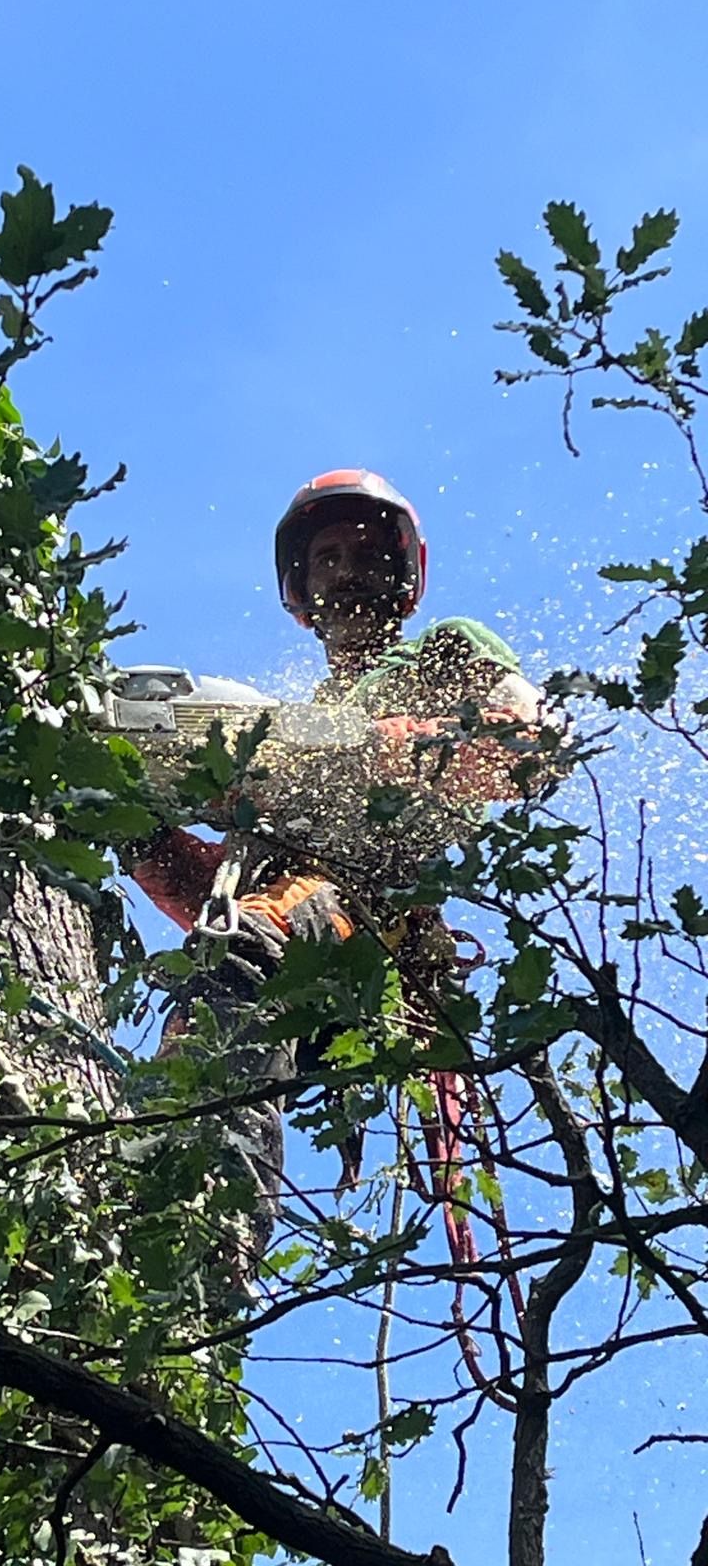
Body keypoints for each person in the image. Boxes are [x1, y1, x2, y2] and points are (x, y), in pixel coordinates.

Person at [125, 468, 548, 1277]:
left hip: (371, 921)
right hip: (291, 929)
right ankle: (152, 1186)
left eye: (365, 551)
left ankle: (203, 1233)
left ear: (403, 570)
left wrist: (352, 745)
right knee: (226, 951)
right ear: (301, 585)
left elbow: (524, 740)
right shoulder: (281, 728)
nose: (348, 569)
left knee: (239, 952)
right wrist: (141, 834)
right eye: (327, 556)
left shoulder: (443, 653)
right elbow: (219, 886)